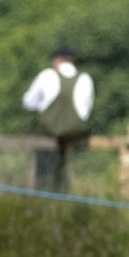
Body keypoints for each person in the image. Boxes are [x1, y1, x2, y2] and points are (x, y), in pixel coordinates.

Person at [21, 47, 93, 192]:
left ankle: (42, 196)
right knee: (64, 169)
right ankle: (63, 196)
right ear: (73, 60)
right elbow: (86, 111)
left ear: (56, 60)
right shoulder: (85, 79)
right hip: (73, 134)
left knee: (42, 173)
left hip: (47, 133)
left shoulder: (47, 75)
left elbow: (28, 102)